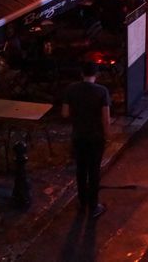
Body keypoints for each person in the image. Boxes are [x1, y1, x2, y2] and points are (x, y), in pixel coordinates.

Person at [62, 61, 111, 219]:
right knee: (94, 170)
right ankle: (94, 205)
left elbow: (65, 113)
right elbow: (106, 119)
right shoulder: (102, 91)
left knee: (81, 169)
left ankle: (82, 203)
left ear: (81, 73)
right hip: (96, 137)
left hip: (79, 135)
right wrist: (107, 136)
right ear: (97, 75)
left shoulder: (71, 89)